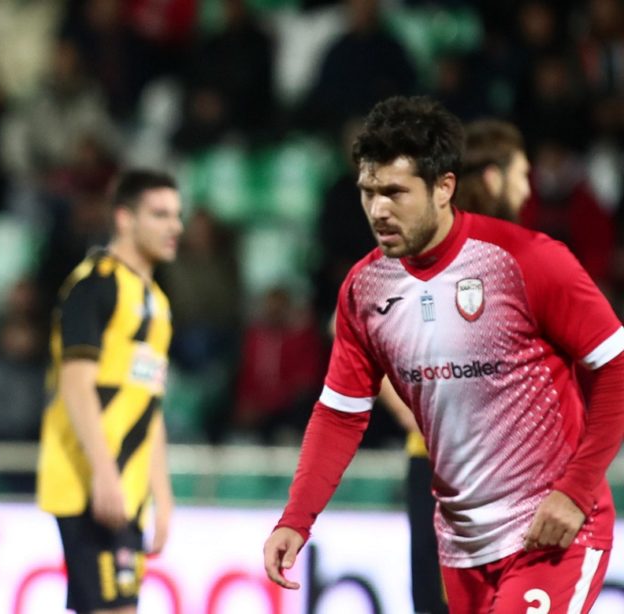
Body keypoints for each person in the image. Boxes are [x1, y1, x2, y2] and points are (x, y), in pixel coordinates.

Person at [263, 97, 624, 613]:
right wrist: (296, 520)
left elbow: (615, 365)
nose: (378, 210)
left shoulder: (527, 260)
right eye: (368, 192)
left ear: (444, 187)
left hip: (553, 532)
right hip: (462, 548)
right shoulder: (365, 290)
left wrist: (576, 489)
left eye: (395, 192)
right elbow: (340, 415)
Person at [378, 119, 530, 614]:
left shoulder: (523, 255)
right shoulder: (423, 251)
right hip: (437, 464)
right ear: (492, 178)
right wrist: (412, 414)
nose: (528, 190)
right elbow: (354, 335)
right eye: (521, 175)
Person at [37, 170, 181, 614]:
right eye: (159, 214)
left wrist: (161, 495)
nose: (174, 226)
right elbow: (75, 385)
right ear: (124, 218)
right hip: (89, 482)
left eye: (176, 215)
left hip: (128, 489)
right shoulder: (94, 285)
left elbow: (148, 403)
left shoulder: (157, 303)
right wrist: (103, 472)